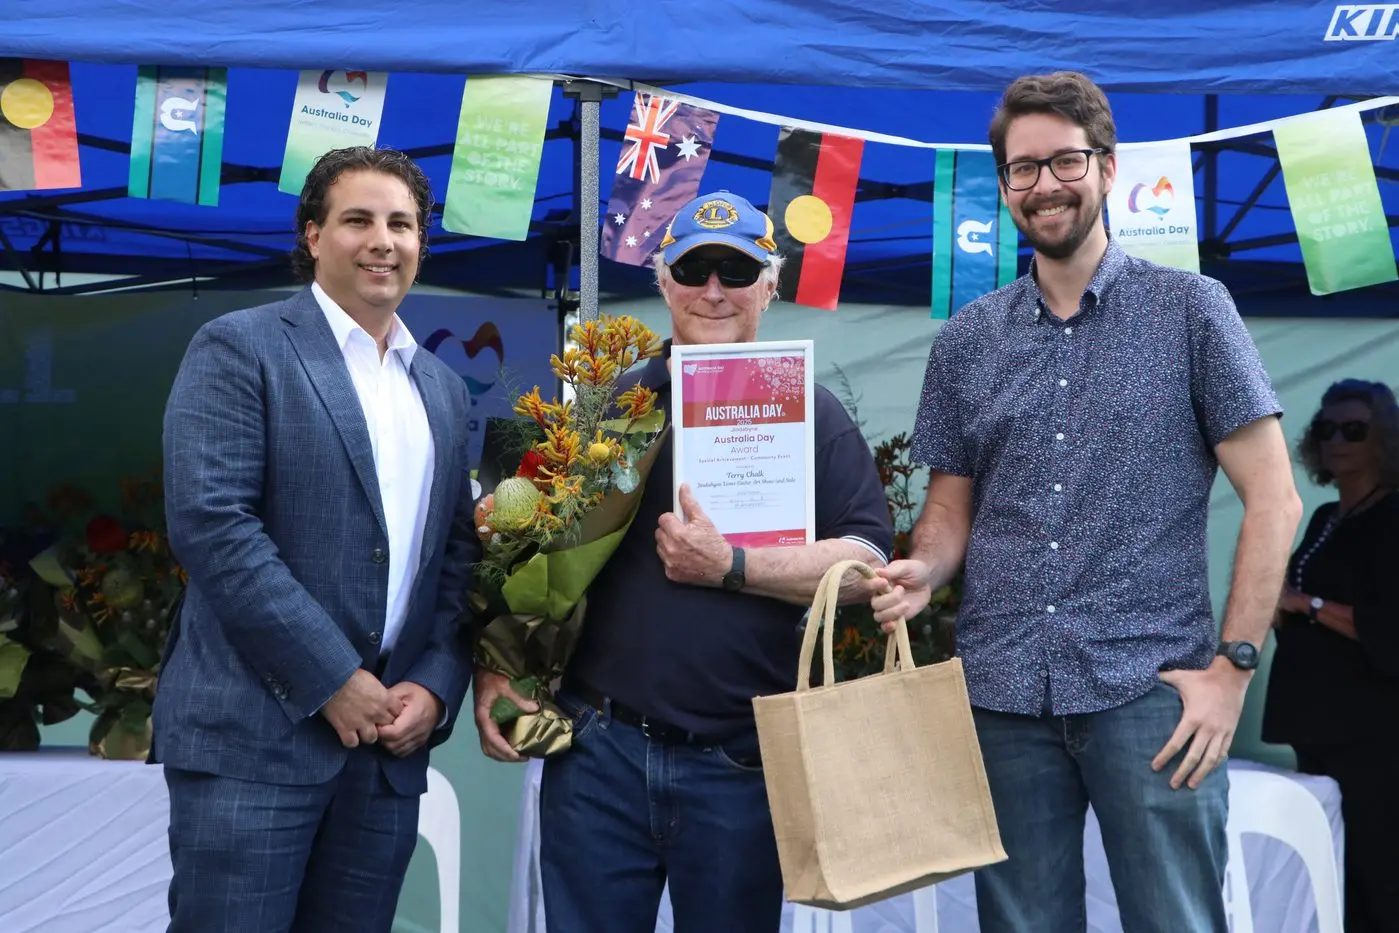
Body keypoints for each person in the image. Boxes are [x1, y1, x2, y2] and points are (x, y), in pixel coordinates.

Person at [870, 72, 1302, 933]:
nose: (1044, 185)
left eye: (1063, 161)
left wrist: (1231, 672)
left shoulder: (1191, 310)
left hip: (1151, 690)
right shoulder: (965, 342)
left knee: (1175, 920)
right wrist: (922, 568)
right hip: (1002, 693)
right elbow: (950, 508)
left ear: (1106, 168)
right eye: (1022, 169)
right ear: (1002, 187)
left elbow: (1275, 499)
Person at [472, 191, 893, 933]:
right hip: (597, 754)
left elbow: (864, 563)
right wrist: (496, 668)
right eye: (694, 268)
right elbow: (520, 556)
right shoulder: (607, 411)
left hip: (741, 764)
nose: (713, 290)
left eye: (736, 271)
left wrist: (732, 564)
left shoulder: (814, 416)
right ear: (663, 280)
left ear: (771, 283)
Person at [153, 146, 480, 933]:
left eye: (401, 224)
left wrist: (434, 685)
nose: (383, 240)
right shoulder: (240, 345)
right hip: (253, 744)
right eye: (357, 219)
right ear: (312, 235)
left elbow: (456, 557)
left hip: (386, 756)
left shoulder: (439, 386)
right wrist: (333, 676)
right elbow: (213, 525)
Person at [1263, 378, 1399, 933]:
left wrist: (1306, 603)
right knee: (1333, 865)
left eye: (1354, 429)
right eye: (1325, 429)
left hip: (1373, 733)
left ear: (1384, 441)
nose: (1336, 440)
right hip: (1318, 724)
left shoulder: (1393, 518)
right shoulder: (1323, 517)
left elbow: (1389, 627)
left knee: (1378, 869)